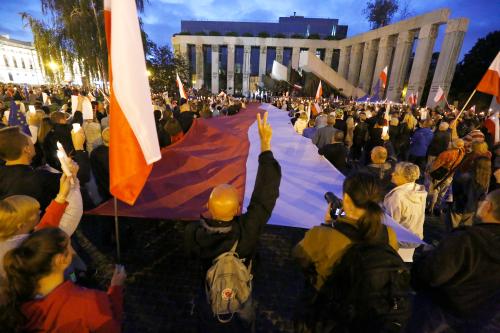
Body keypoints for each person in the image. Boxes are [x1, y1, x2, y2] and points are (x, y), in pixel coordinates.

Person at [184, 111, 281, 332]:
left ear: (208, 208)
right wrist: (265, 145)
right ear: (238, 208)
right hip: (241, 293)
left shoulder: (193, 234)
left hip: (209, 296)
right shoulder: (247, 231)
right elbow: (265, 195)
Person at [0, 228, 126, 332]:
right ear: (61, 260)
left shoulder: (15, 300)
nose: (71, 252)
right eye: (69, 247)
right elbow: (113, 327)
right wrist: (116, 290)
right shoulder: (89, 303)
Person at [410, 189, 500, 332]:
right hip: (482, 322)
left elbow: (431, 274)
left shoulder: (466, 240)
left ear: (488, 207)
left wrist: (426, 257)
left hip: (440, 320)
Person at [293, 171, 398, 291]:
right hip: (372, 301)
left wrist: (328, 225)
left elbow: (300, 257)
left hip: (332, 301)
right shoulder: (389, 233)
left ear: (347, 198)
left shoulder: (321, 234)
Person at [384, 162, 427, 260]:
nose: (392, 174)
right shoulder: (418, 191)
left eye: (396, 173)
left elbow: (391, 223)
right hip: (415, 237)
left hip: (399, 240)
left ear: (406, 177)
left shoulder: (397, 196)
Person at [448, 157, 491, 229]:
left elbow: (455, 190)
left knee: (452, 229)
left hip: (458, 206)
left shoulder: (466, 177)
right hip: (472, 209)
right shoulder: (486, 179)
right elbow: (482, 196)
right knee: (465, 230)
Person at [428, 138, 465, 214]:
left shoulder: (446, 154)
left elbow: (436, 165)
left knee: (435, 190)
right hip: (450, 175)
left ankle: (430, 208)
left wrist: (429, 171)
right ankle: (438, 207)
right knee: (443, 192)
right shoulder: (461, 153)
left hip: (440, 174)